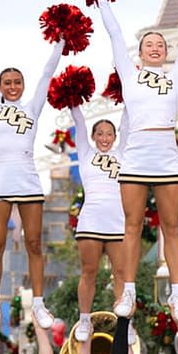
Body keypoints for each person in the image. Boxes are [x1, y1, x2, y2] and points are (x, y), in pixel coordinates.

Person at [97, 0, 178, 323]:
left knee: (171, 228)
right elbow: (115, 34)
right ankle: (128, 291)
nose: (155, 48)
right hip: (135, 159)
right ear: (140, 53)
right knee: (131, 226)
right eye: (149, 45)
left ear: (167, 52)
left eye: (160, 45)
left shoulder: (174, 76)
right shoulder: (129, 75)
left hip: (167, 159)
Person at [0, 39, 64, 332]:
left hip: (28, 180)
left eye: (17, 82)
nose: (12, 86)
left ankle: (39, 303)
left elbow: (47, 74)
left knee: (34, 243)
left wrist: (59, 43)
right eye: (7, 82)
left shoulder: (32, 108)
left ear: (23, 85)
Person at [65, 110, 125, 342]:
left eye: (109, 134)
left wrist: (126, 96)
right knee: (89, 272)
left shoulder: (122, 153)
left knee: (121, 273)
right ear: (92, 136)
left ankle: (125, 323)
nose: (105, 138)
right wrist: (72, 98)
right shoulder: (85, 153)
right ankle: (84, 318)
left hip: (117, 222)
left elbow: (128, 120)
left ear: (115, 137)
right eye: (100, 133)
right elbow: (79, 121)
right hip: (91, 220)